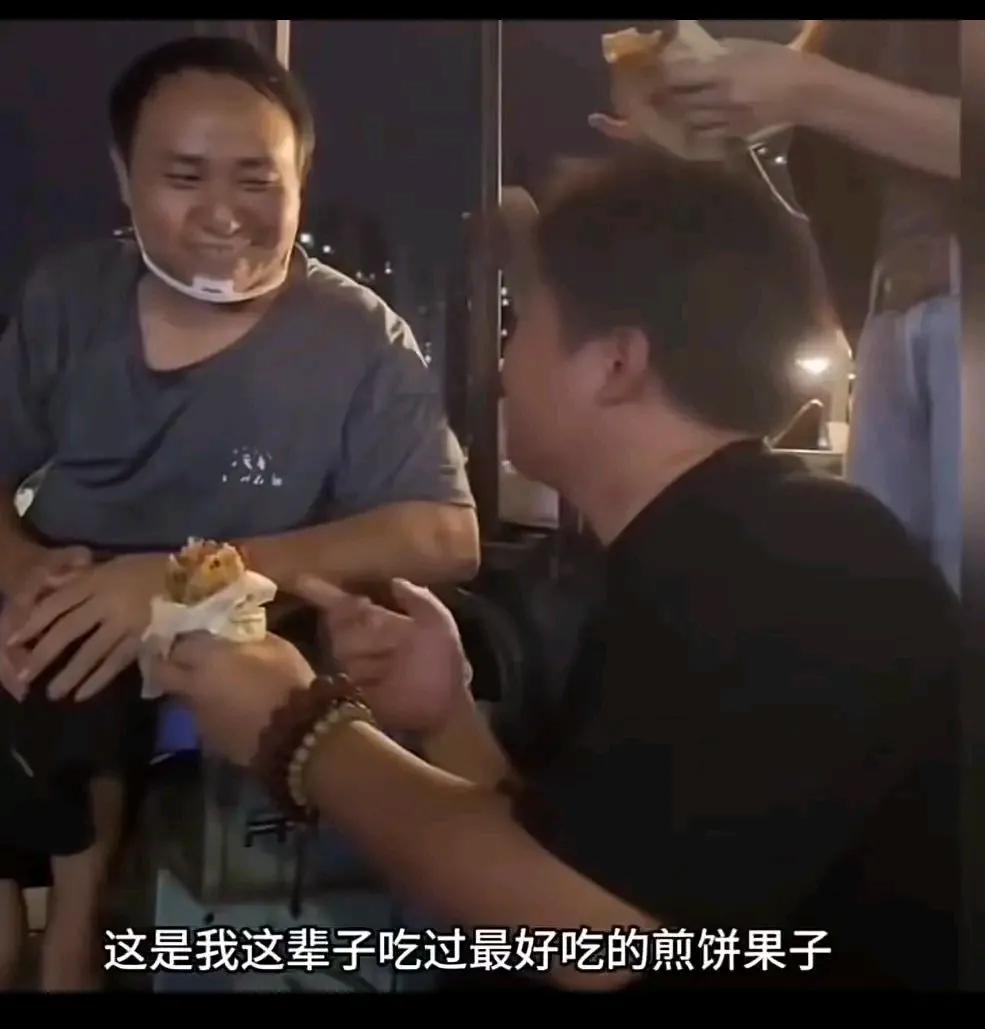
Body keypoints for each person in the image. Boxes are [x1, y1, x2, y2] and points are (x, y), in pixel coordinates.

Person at [151, 152, 960, 991]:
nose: (502, 364)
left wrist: (298, 730)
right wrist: (447, 712)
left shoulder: (791, 564)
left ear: (615, 364)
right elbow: (573, 863)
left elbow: (587, 937)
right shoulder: (717, 543)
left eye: (523, 323)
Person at [0, 36, 478, 991]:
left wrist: (182, 578)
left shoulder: (357, 335)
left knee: (91, 709)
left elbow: (445, 531)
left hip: (241, 629)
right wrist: (26, 576)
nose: (223, 214)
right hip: (64, 605)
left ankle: (76, 937)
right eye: (184, 177)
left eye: (257, 180)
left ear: (302, 176)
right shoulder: (68, 299)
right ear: (123, 176)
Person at [591, 19, 961, 593]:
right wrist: (707, 140)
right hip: (890, 322)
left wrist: (810, 89)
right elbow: (818, 243)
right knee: (896, 617)